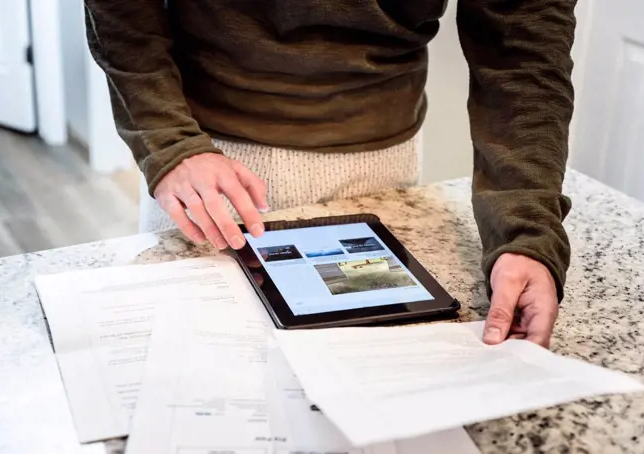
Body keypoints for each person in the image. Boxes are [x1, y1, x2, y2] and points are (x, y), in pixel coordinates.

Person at [84, 0, 577, 348]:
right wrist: (169, 144)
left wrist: (526, 234)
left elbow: (522, 51)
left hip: (381, 162)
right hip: (205, 160)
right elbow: (124, 14)